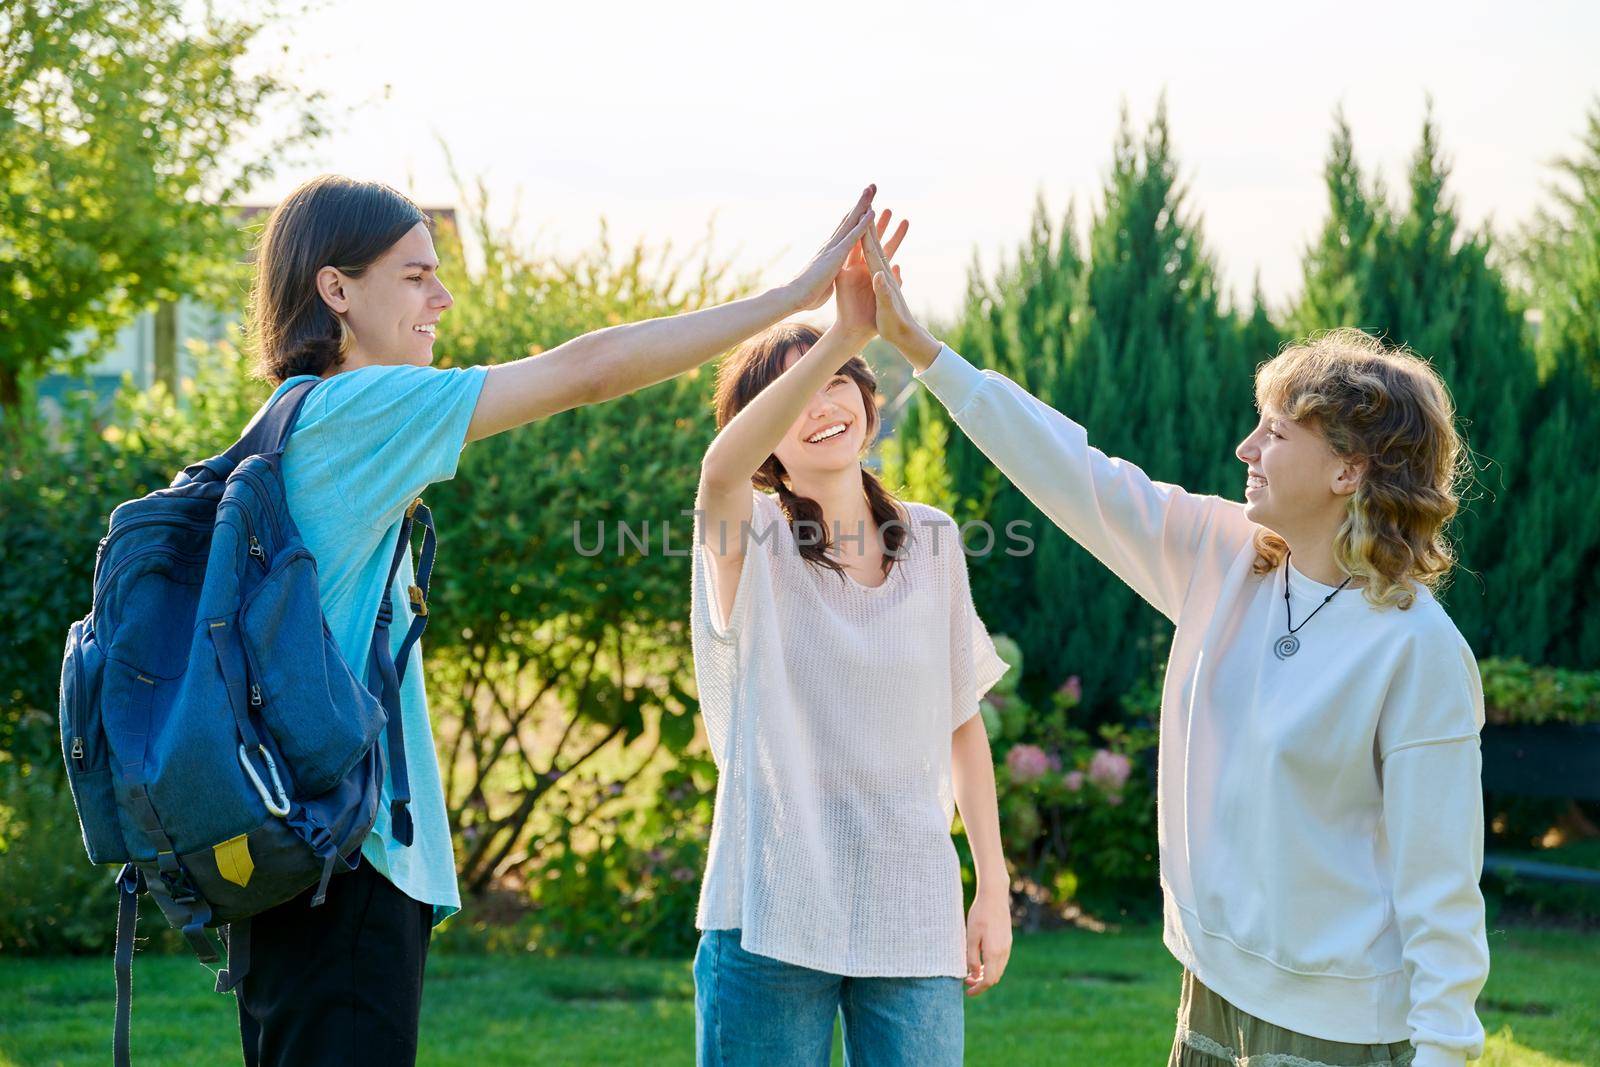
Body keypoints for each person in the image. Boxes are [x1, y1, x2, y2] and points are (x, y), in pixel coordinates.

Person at [236, 173, 878, 1067]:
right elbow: (587, 370)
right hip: (350, 861)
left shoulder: (291, 419)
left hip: (295, 858)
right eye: (416, 275)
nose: (442, 297)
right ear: (336, 290)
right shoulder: (362, 408)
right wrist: (789, 300)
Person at [869, 263, 1489, 1067]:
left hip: (1337, 1035)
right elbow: (1075, 475)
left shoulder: (1419, 651)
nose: (1247, 447)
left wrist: (1444, 1053)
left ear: (1349, 471)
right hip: (1207, 995)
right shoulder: (1224, 555)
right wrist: (921, 348)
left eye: (1276, 430)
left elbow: (1442, 894)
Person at [689, 211, 1013, 1067]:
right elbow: (718, 469)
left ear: (869, 400)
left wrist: (993, 886)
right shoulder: (745, 537)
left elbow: (961, 723)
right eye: (800, 388)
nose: (826, 401)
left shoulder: (934, 539)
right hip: (768, 906)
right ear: (768, 440)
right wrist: (840, 331)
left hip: (911, 906)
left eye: (841, 379)